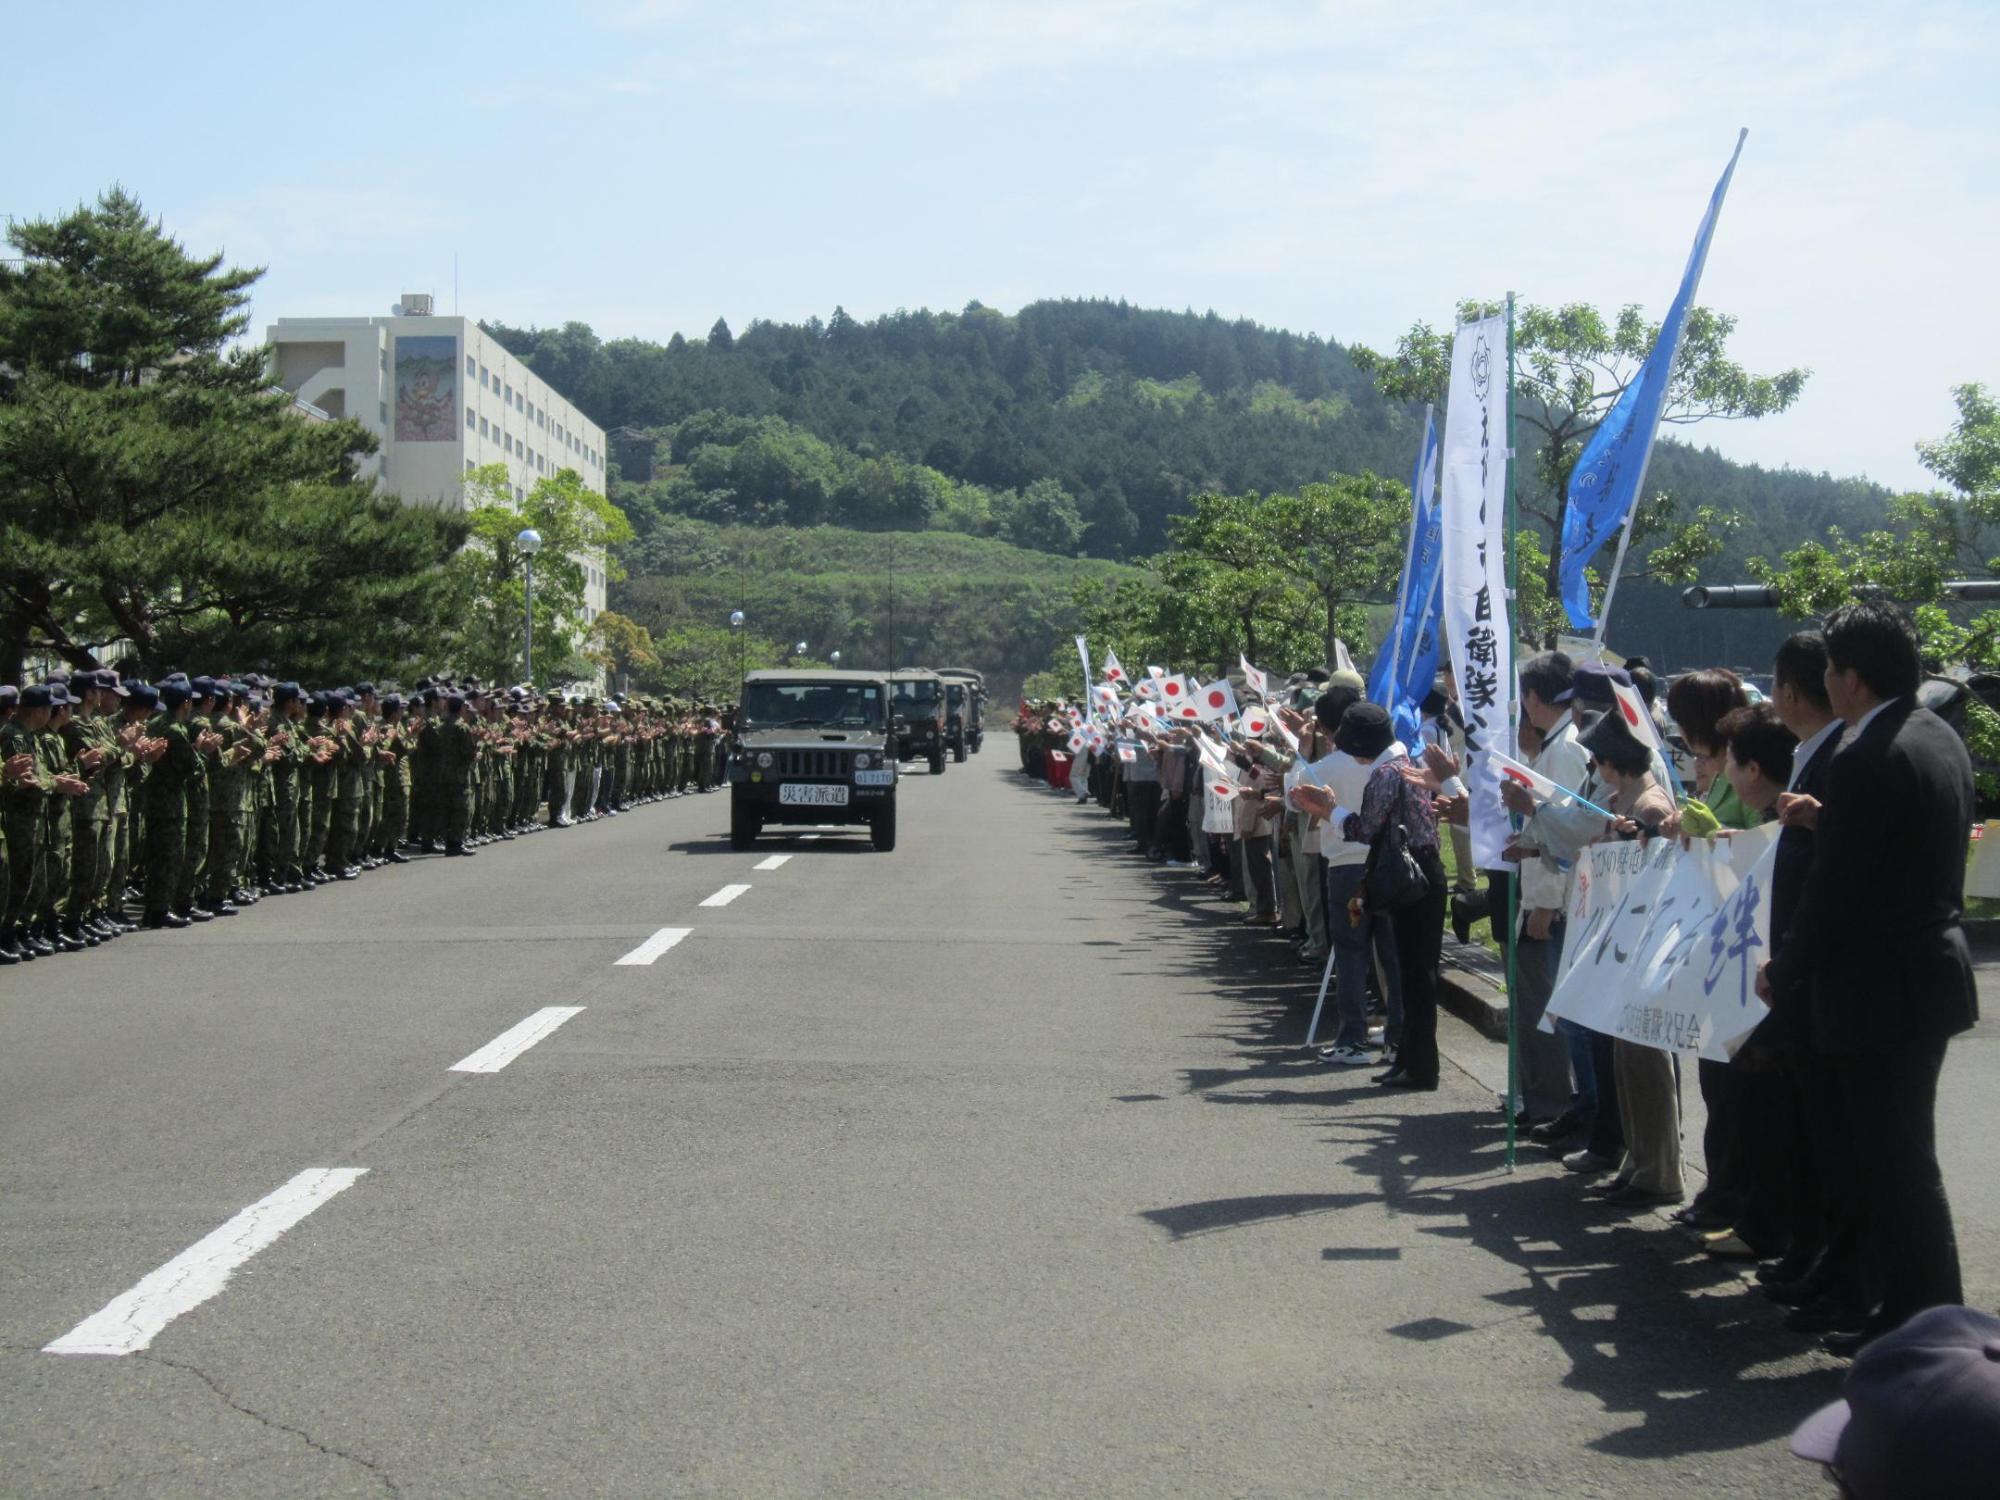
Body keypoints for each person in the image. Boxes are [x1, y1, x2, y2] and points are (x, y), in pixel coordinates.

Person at [1760, 599, 1978, 1356]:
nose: (1826, 679)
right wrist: (1832, 821)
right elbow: (1891, 845)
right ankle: (1911, 1310)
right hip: (1926, 970)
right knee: (1899, 1159)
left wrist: (1785, 968)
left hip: (1878, 985)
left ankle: (1919, 1323)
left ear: (1849, 678)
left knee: (1892, 1165)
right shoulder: (1934, 735)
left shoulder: (1865, 753)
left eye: (1829, 668)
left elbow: (1836, 894)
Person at [1578, 710, 1683, 1207]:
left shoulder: (1652, 803)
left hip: (1645, 942)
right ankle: (1638, 1160)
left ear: (1608, 761)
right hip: (1624, 943)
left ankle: (1658, 1168)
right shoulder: (1629, 801)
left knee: (1644, 1060)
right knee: (1626, 1058)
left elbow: (1663, 869)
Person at [1332, 701, 1444, 1091]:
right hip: (1424, 871)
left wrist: (1331, 810)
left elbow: (1365, 828)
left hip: (1408, 876)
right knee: (1415, 974)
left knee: (1415, 976)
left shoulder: (1385, 773)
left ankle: (1420, 1065)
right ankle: (1411, 1059)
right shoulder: (1411, 764)